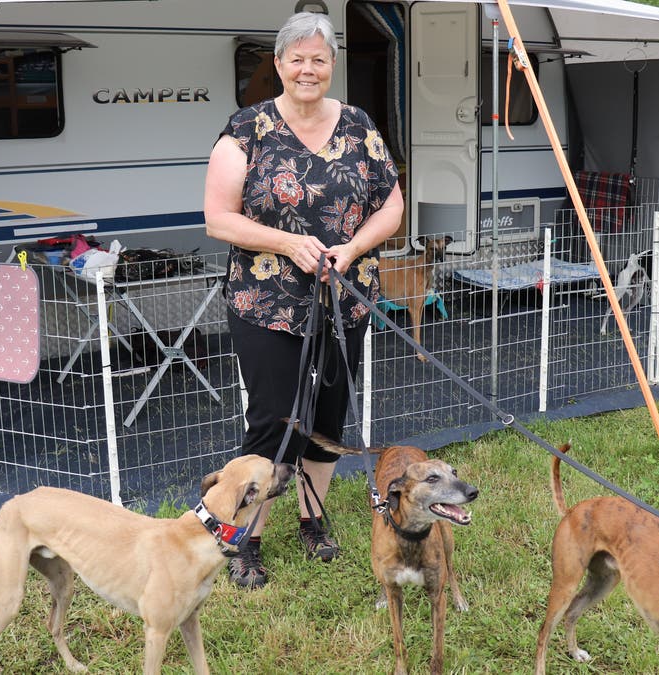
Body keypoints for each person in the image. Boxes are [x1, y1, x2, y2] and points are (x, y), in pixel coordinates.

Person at [204, 11, 403, 589]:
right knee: (272, 420)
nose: (307, 70)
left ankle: (313, 519)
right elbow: (218, 219)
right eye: (297, 59)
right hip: (266, 302)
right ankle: (244, 534)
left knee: (329, 415)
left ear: (332, 65)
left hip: (345, 297)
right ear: (279, 65)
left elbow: (391, 204)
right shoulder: (248, 128)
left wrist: (354, 247)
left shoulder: (360, 125)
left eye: (319, 59)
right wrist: (288, 242)